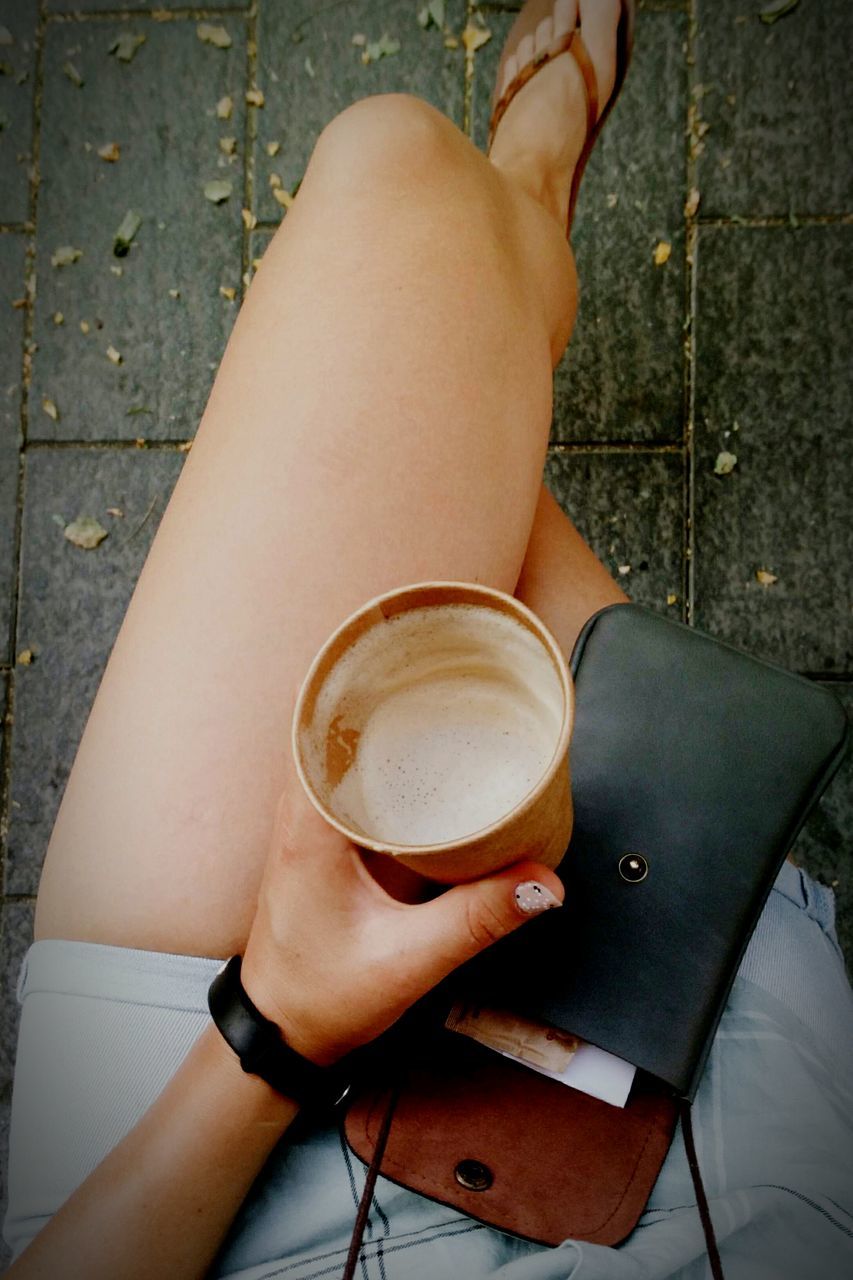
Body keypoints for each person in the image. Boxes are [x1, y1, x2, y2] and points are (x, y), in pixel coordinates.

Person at [4, 0, 853, 1276]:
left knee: (397, 191)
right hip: (729, 1156)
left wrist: (275, 1025)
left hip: (186, 1171)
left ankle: (519, 225)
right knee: (426, 276)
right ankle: (524, 217)